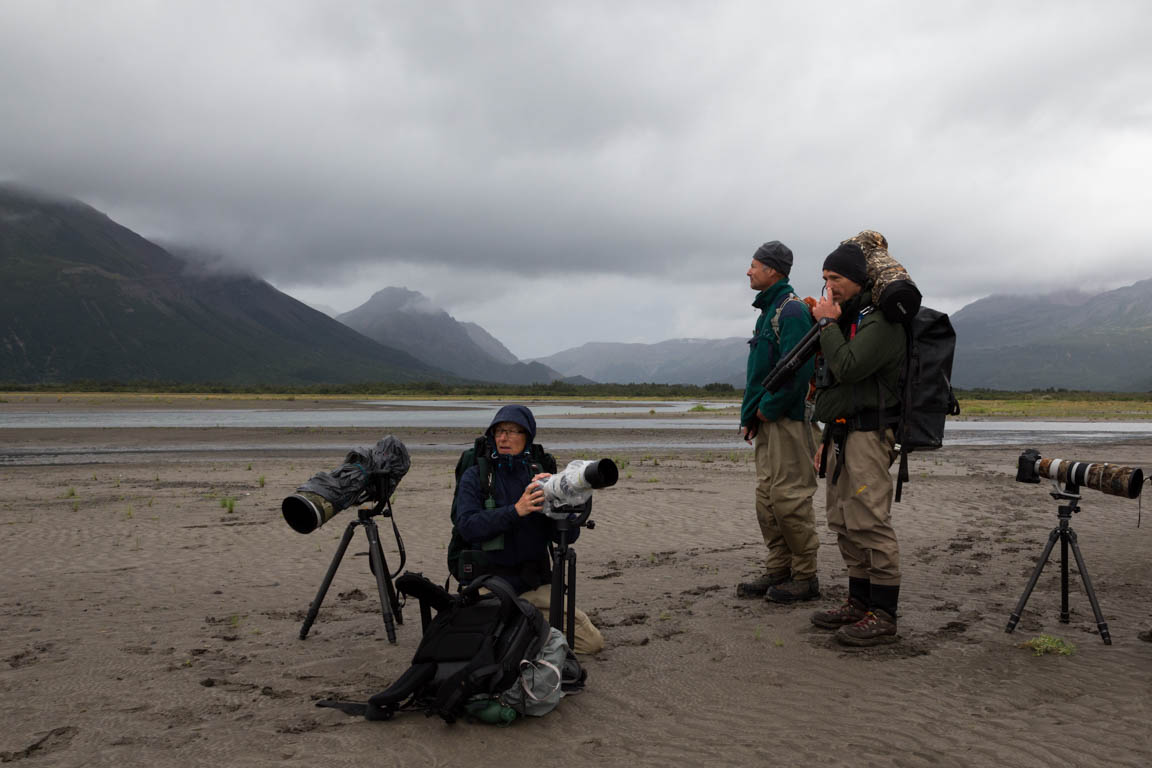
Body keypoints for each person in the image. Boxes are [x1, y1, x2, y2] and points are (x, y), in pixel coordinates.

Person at [809, 240, 906, 646]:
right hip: (843, 432)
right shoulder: (854, 319)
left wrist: (828, 324)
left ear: (858, 279)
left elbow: (848, 366)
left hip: (870, 434)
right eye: (827, 278)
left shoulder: (882, 322)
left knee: (869, 519)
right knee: (843, 520)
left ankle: (883, 614)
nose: (831, 286)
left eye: (837, 278)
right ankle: (858, 600)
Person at [455, 404, 605, 654]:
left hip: (534, 586)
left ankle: (523, 629)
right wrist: (516, 510)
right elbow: (467, 527)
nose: (504, 437)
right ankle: (524, 632)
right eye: (499, 431)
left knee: (592, 643)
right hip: (490, 584)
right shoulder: (476, 477)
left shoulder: (540, 477)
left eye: (513, 431)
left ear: (527, 438)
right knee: (481, 648)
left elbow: (569, 536)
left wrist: (561, 504)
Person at [737, 241, 822, 603]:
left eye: (754, 265)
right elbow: (760, 374)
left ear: (773, 270)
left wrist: (766, 410)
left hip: (788, 421)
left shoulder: (790, 312)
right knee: (767, 499)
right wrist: (750, 417)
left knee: (789, 499)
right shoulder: (767, 312)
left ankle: (805, 576)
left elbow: (796, 374)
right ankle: (779, 567)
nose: (748, 271)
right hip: (768, 422)